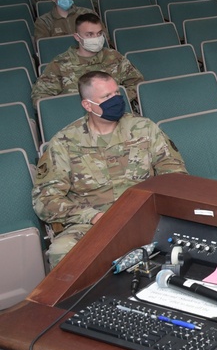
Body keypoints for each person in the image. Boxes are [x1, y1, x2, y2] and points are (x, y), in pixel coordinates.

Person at [32, 71, 186, 266]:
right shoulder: (65, 142)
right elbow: (45, 199)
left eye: (116, 93)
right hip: (92, 222)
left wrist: (154, 206)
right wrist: (92, 216)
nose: (115, 100)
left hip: (144, 212)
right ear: (88, 105)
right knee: (62, 251)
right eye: (106, 97)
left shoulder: (143, 128)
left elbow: (174, 171)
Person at [32, 13, 144, 106]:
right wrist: (71, 107)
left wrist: (114, 100)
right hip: (78, 118)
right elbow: (40, 98)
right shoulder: (60, 64)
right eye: (89, 34)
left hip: (115, 112)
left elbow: (136, 83)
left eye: (99, 33)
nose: (96, 38)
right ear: (77, 37)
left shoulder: (114, 57)